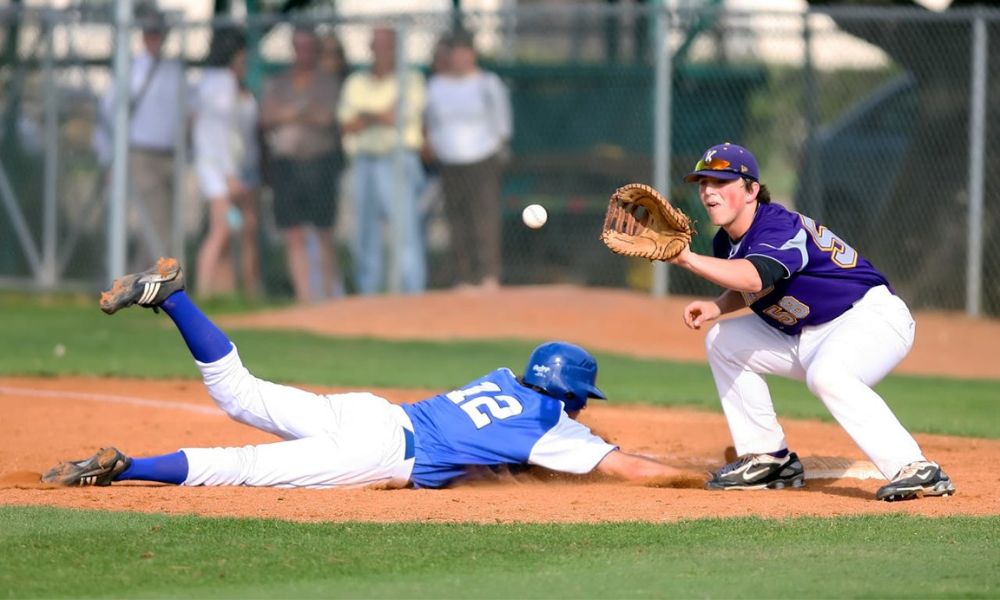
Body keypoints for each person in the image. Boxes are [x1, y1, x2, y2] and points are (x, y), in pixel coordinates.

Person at [41, 258, 700, 490]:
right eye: (580, 401)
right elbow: (629, 469)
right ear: (568, 396)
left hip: (371, 412)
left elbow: (499, 450)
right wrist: (705, 478)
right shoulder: (550, 427)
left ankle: (174, 297)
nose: (581, 412)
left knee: (238, 392)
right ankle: (125, 468)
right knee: (240, 465)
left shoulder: (502, 378)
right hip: (380, 451)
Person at [666, 142, 955, 502]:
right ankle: (769, 460)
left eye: (721, 182)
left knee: (828, 375)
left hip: (869, 317)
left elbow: (757, 276)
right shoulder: (726, 241)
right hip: (807, 332)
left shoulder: (778, 227)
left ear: (752, 190)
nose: (709, 191)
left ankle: (916, 468)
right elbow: (756, 284)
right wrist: (718, 307)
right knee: (723, 340)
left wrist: (687, 259)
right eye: (703, 182)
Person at [93, 4, 186, 271]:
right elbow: (107, 116)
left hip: (171, 154)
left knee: (163, 224)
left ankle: (142, 282)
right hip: (141, 154)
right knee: (155, 223)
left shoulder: (174, 70)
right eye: (151, 33)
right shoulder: (131, 71)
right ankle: (158, 283)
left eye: (159, 33)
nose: (155, 39)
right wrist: (108, 158)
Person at [338, 27, 427, 295]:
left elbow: (397, 117)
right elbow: (347, 125)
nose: (381, 50)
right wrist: (378, 115)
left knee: (404, 231)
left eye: (387, 45)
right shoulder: (356, 82)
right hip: (364, 160)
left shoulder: (410, 79)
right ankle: (368, 294)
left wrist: (366, 116)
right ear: (370, 48)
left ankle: (411, 294)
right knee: (364, 233)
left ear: (396, 48)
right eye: (376, 44)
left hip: (398, 159)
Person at [424, 30, 512, 292]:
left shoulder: (488, 83)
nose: (460, 59)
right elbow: (430, 124)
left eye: (465, 53)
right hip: (450, 160)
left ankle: (488, 275)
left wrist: (496, 148)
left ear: (473, 55)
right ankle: (464, 277)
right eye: (455, 53)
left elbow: (502, 123)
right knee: (456, 219)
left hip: (482, 158)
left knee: (483, 217)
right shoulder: (436, 85)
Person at [259, 27, 342, 303]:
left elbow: (326, 118)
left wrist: (287, 114)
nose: (303, 53)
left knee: (323, 232)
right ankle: (305, 299)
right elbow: (267, 116)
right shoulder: (279, 81)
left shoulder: (327, 81)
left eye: (309, 48)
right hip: (287, 168)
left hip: (319, 165)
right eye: (299, 47)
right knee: (292, 232)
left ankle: (329, 296)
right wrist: (300, 111)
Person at [192, 26, 260, 299]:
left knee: (234, 228)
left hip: (222, 167)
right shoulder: (222, 83)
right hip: (217, 169)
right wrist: (230, 175)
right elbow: (219, 135)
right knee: (221, 230)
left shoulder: (210, 82)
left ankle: (226, 291)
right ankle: (204, 292)